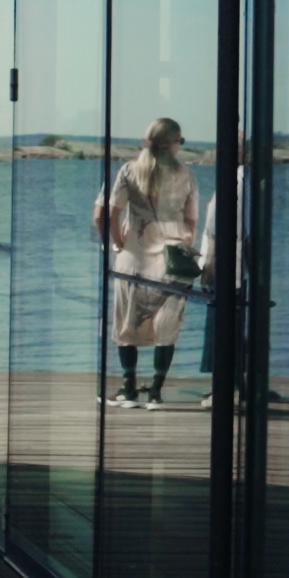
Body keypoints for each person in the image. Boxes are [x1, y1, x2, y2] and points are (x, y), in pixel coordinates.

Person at [95, 116, 199, 408]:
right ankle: (155, 392)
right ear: (172, 143)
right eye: (180, 141)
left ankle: (128, 389)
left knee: (127, 324)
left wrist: (116, 242)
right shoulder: (186, 175)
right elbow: (192, 222)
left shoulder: (129, 171)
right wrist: (179, 240)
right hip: (170, 261)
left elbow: (105, 215)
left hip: (134, 257)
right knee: (166, 328)